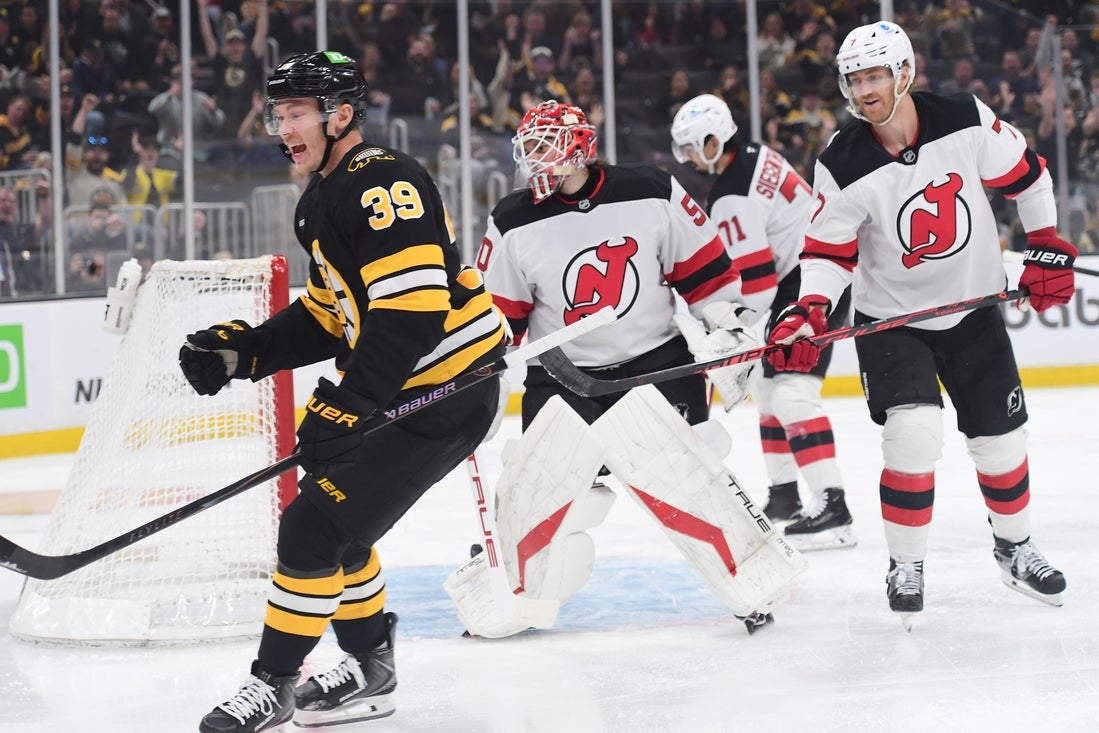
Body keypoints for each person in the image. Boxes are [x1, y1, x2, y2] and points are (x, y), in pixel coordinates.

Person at [179, 50, 507, 733]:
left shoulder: (383, 179)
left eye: (297, 112)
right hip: (402, 388)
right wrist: (250, 352)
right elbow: (333, 314)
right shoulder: (321, 199)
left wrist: (348, 403)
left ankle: (273, 684)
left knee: (312, 527)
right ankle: (369, 668)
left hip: (445, 391)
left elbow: (412, 312)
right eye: (278, 114)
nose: (283, 127)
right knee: (340, 524)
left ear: (341, 115)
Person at [765, 21, 1072, 617]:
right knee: (912, 435)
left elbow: (1029, 177)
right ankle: (906, 563)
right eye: (855, 80)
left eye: (875, 76)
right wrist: (810, 309)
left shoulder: (964, 118)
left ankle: (1016, 549)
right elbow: (827, 253)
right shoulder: (841, 159)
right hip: (891, 322)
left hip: (973, 308)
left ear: (904, 73)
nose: (864, 91)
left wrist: (1044, 244)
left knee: (1001, 442)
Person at [463, 100, 800, 636]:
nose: (536, 160)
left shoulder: (651, 189)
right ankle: (517, 598)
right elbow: (499, 317)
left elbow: (705, 274)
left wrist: (724, 324)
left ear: (580, 147)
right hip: (563, 375)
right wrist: (482, 377)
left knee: (689, 481)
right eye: (530, 149)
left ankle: (753, 584)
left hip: (656, 364)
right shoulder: (512, 218)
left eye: (547, 146)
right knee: (542, 490)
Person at [670, 92, 856, 551]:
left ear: (714, 140)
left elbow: (757, 286)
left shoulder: (730, 194)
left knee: (792, 392)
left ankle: (833, 505)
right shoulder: (756, 154)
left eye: (692, 147)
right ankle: (785, 496)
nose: (688, 158)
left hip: (812, 287)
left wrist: (729, 333)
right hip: (817, 276)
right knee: (771, 392)